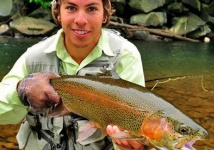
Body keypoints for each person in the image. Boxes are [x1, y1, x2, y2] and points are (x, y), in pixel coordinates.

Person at [0, 0, 145, 149]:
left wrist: (130, 145)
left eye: (91, 9)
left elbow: (135, 124)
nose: (80, 20)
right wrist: (21, 89)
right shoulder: (34, 57)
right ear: (58, 12)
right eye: (71, 8)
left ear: (105, 14)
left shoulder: (125, 57)